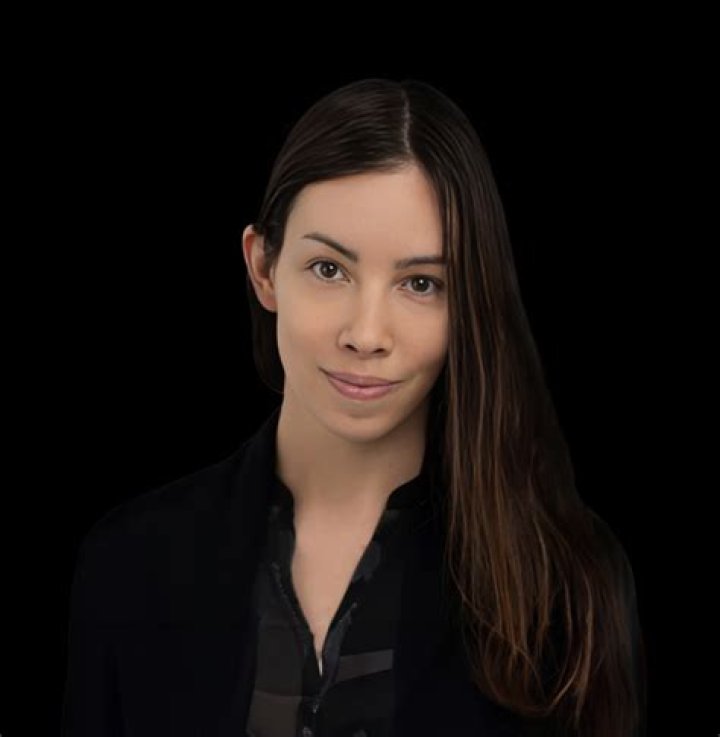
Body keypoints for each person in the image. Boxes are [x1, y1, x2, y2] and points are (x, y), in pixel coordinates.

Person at [60, 78, 646, 737]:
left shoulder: (568, 584)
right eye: (329, 269)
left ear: (469, 303)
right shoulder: (130, 563)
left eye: (421, 283)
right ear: (262, 267)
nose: (366, 334)